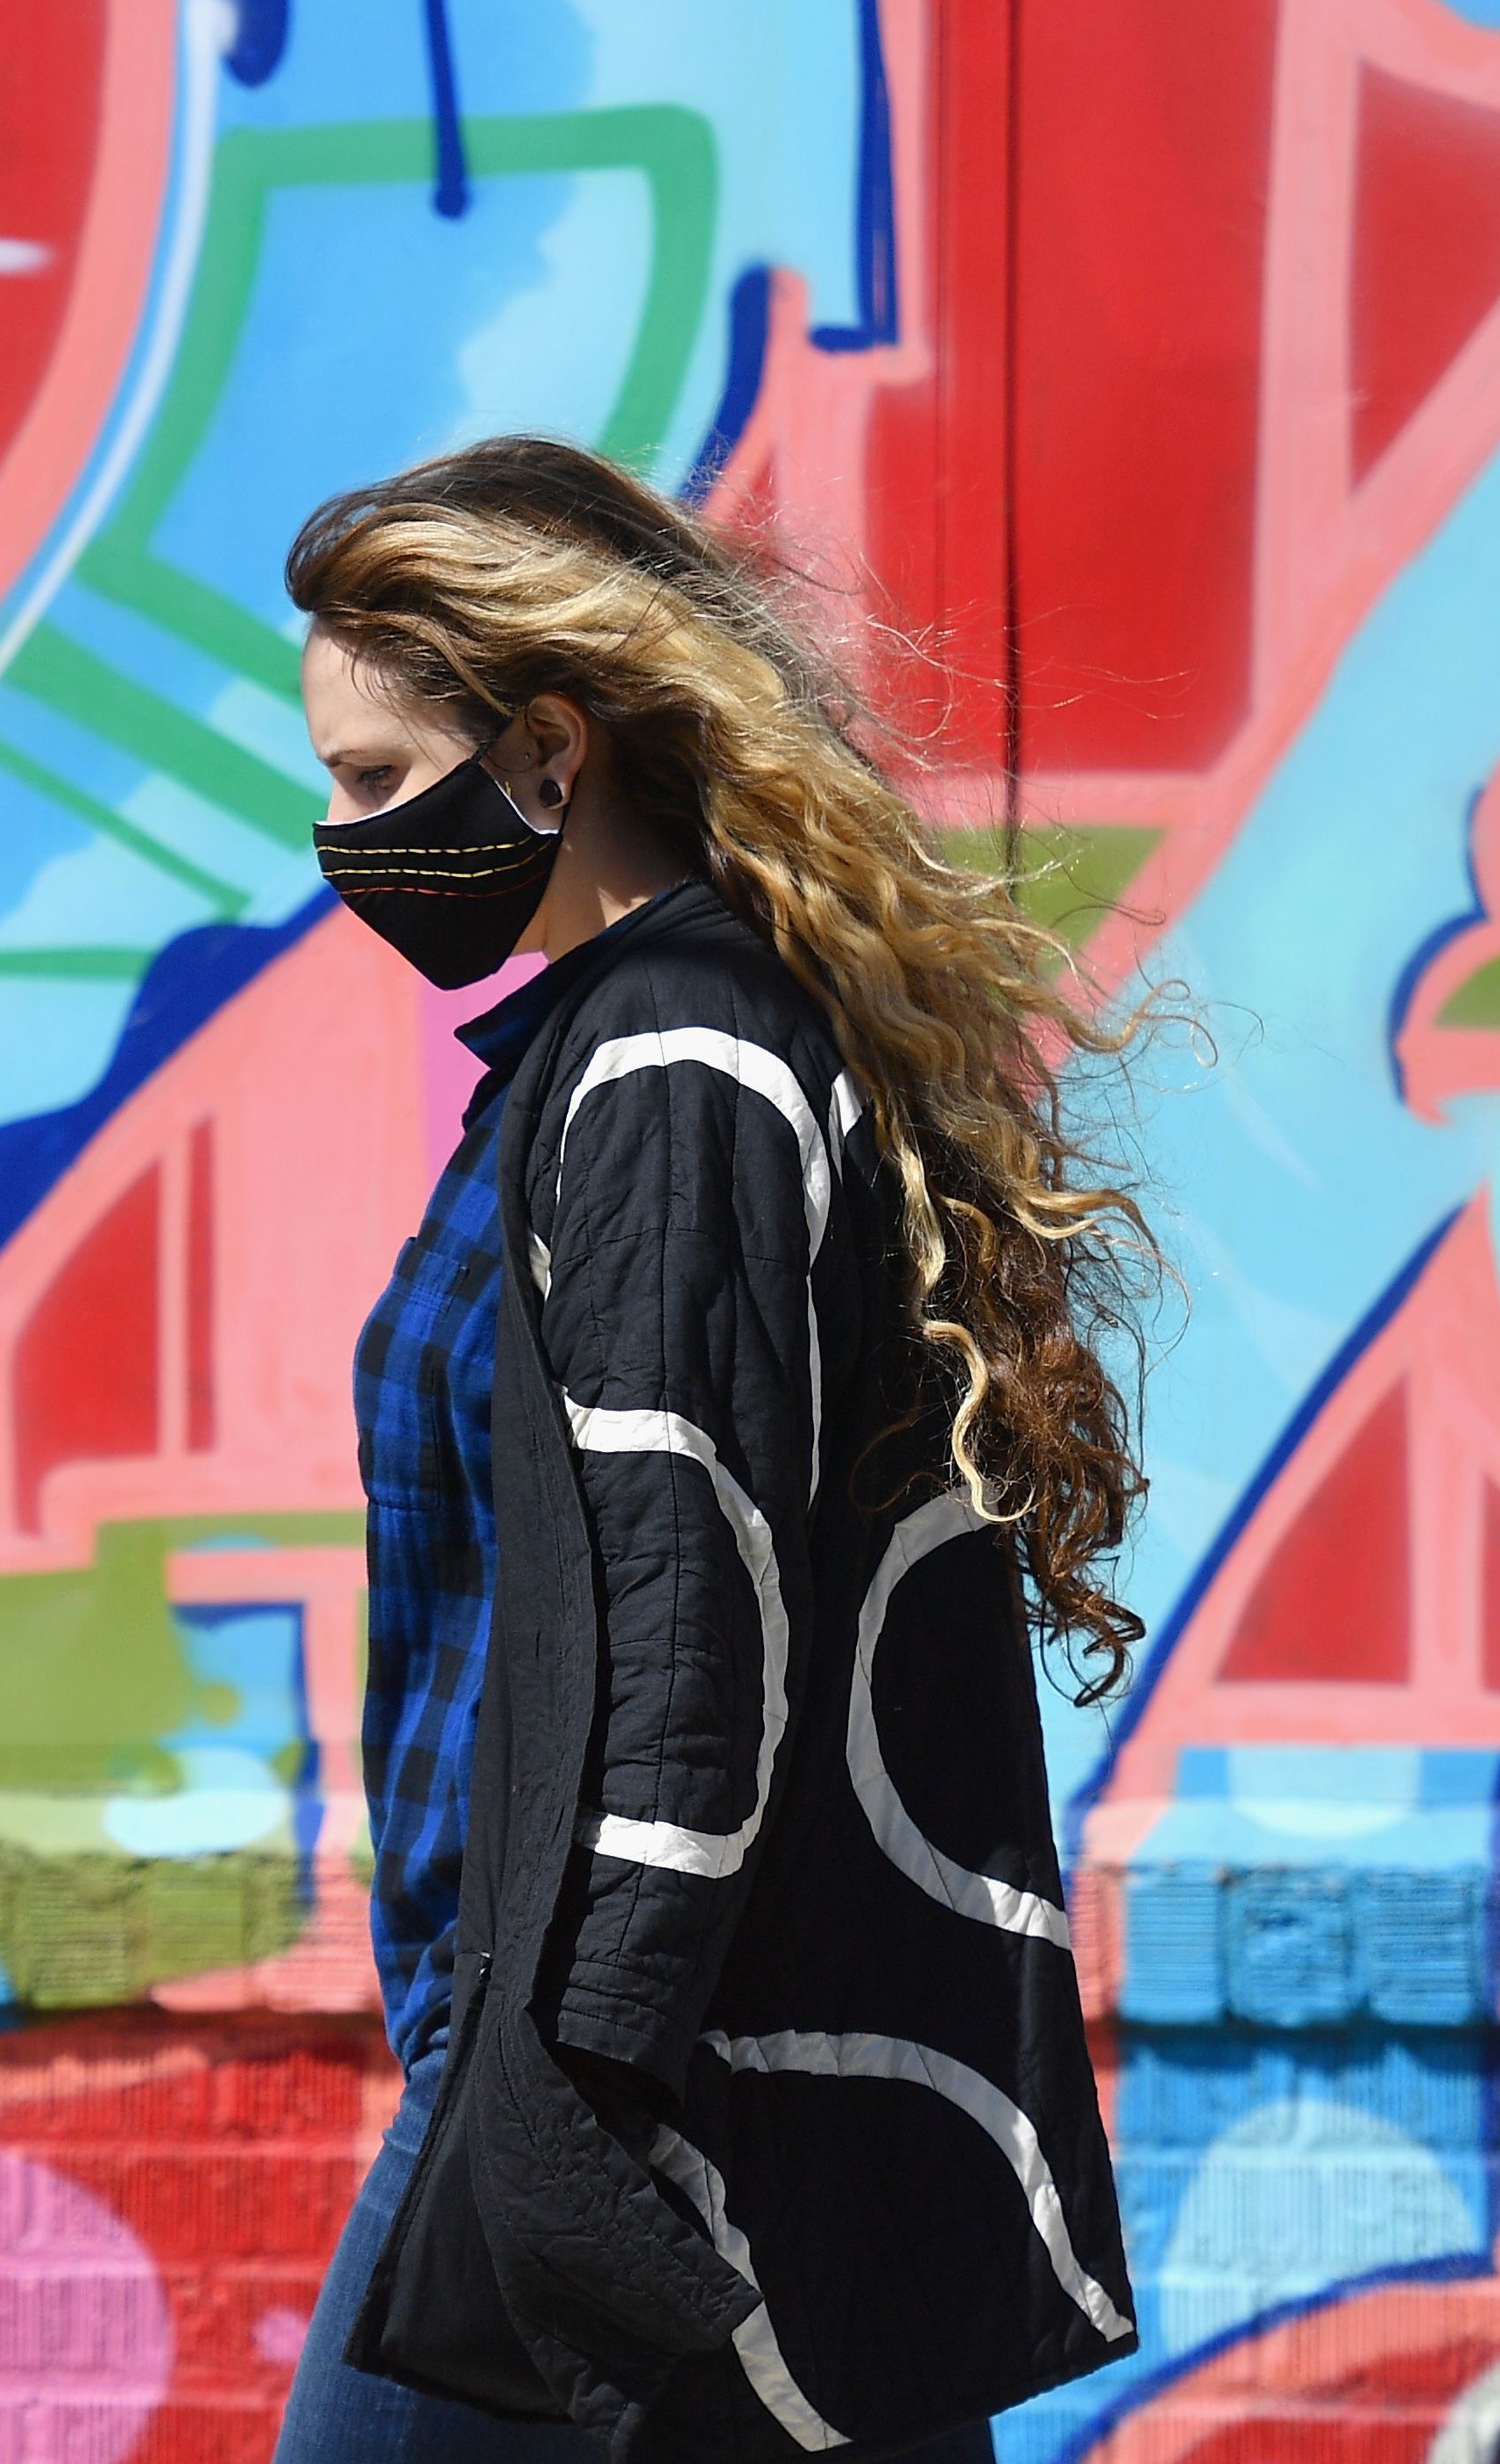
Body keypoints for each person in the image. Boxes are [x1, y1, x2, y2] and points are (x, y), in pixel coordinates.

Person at [269, 438, 1150, 2462]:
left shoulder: (675, 1057)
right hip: (663, 2061)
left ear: (552, 750)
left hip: (621, 2073)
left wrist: (574, 2082)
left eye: (380, 780)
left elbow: (697, 1598)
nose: (337, 836)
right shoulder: (662, 1038)